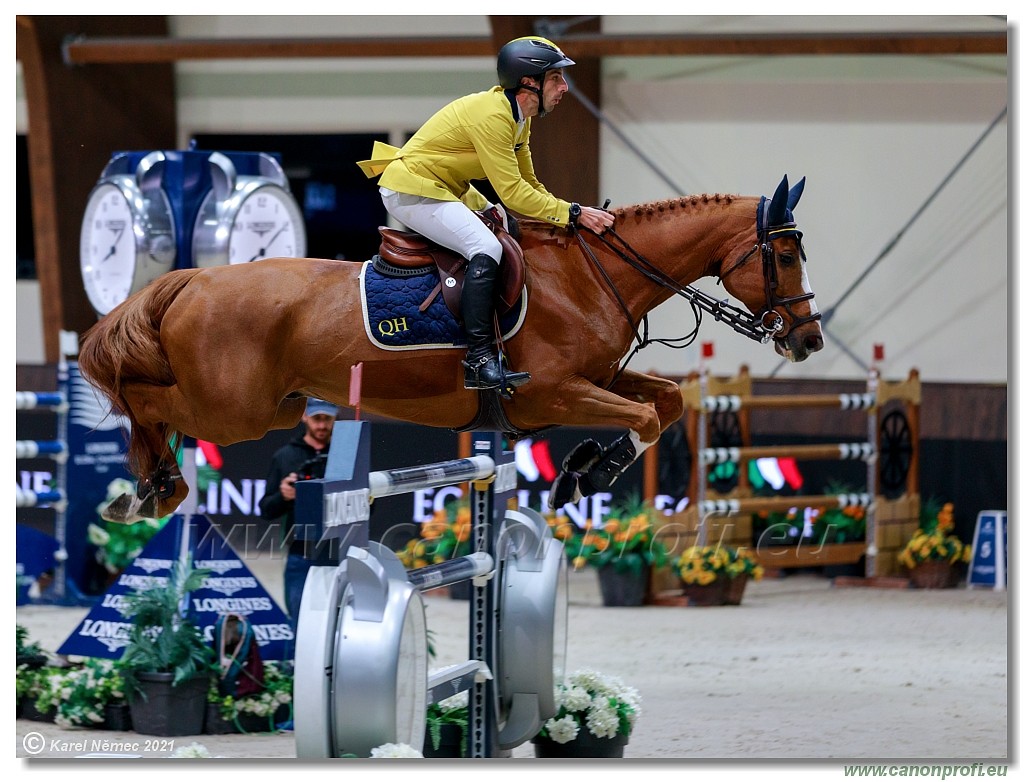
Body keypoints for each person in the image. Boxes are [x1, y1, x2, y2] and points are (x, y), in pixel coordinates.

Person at [358, 35, 615, 392]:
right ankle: (478, 360)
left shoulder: (520, 118)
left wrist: (566, 212)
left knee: (506, 230)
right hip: (411, 190)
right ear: (530, 82)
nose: (565, 87)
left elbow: (530, 184)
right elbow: (513, 194)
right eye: (556, 78)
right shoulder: (494, 117)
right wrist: (572, 214)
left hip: (446, 187)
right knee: (486, 248)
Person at [258, 397, 338, 626]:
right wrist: (284, 495)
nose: (322, 425)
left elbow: (369, 505)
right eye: (317, 418)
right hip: (299, 551)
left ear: (335, 418)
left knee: (335, 622)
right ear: (304, 416)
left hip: (338, 549)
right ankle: (295, 663)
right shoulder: (285, 456)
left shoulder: (346, 455)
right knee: (299, 620)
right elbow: (266, 509)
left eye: (327, 419)